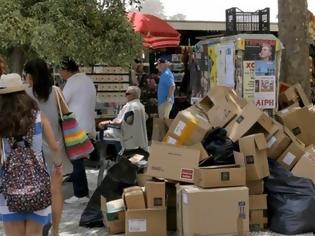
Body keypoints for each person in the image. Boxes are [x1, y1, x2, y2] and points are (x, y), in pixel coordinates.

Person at [0, 73, 62, 236]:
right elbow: (55, 147)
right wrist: (57, 166)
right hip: (38, 183)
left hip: (9, 185)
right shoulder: (38, 117)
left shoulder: (2, 120)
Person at [24, 58, 71, 236]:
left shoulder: (24, 93)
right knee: (56, 191)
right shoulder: (57, 91)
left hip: (33, 150)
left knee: (36, 192)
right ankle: (56, 230)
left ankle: (37, 226)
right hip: (56, 148)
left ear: (30, 75)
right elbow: (67, 114)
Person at [59, 57, 96, 204]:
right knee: (77, 160)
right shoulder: (87, 80)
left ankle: (80, 194)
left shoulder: (72, 82)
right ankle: (79, 190)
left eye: (61, 71)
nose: (61, 75)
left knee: (76, 161)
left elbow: (61, 102)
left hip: (75, 126)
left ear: (67, 70)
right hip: (86, 125)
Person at [98, 86, 148, 151]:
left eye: (127, 94)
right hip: (137, 137)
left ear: (134, 95)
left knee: (98, 135)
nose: (125, 96)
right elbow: (146, 117)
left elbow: (120, 123)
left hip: (124, 135)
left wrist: (107, 122)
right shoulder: (140, 106)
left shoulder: (130, 106)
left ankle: (102, 158)